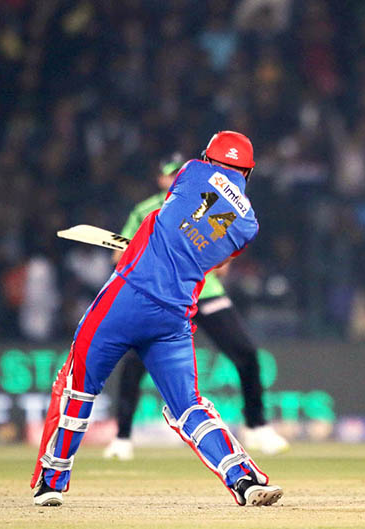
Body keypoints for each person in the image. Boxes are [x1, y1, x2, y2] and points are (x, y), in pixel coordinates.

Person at [31, 131, 283, 507]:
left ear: (209, 157)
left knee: (77, 386)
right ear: (249, 171)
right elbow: (213, 259)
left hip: (126, 299)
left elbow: (170, 209)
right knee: (189, 406)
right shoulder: (248, 226)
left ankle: (50, 483)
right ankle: (244, 480)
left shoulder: (193, 171)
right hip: (174, 315)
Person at [103, 153, 288, 462]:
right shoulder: (145, 210)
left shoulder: (213, 202)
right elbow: (117, 257)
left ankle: (257, 426)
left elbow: (223, 262)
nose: (175, 176)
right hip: (165, 295)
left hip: (205, 291)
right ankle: (122, 437)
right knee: (135, 364)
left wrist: (215, 261)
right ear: (161, 179)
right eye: (169, 172)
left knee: (246, 353)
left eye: (179, 171)